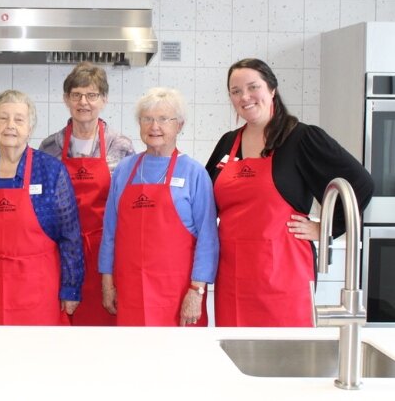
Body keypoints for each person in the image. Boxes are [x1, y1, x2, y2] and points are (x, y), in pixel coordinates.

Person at [206, 58, 374, 327]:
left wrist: (326, 228)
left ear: (272, 89)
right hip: (233, 276)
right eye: (235, 91)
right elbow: (205, 201)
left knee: (284, 357)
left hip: (283, 275)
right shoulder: (228, 142)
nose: (244, 97)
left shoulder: (301, 138)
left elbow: (361, 183)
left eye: (253, 87)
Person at [0, 90, 85, 325]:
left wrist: (70, 288)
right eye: (3, 118)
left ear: (30, 128)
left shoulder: (51, 171)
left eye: (19, 119)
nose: (10, 125)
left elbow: (70, 235)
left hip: (38, 288)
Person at [100, 87, 218, 326]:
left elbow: (208, 238)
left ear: (180, 125)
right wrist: (107, 282)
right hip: (130, 290)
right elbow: (110, 233)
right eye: (147, 119)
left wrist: (196, 291)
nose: (155, 126)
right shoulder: (124, 170)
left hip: (178, 295)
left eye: (164, 119)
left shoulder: (194, 173)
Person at [40, 62, 134, 325]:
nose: (84, 102)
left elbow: (127, 207)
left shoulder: (121, 146)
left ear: (104, 100)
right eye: (76, 95)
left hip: (106, 253)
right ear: (66, 99)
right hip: (62, 253)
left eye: (92, 95)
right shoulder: (50, 147)